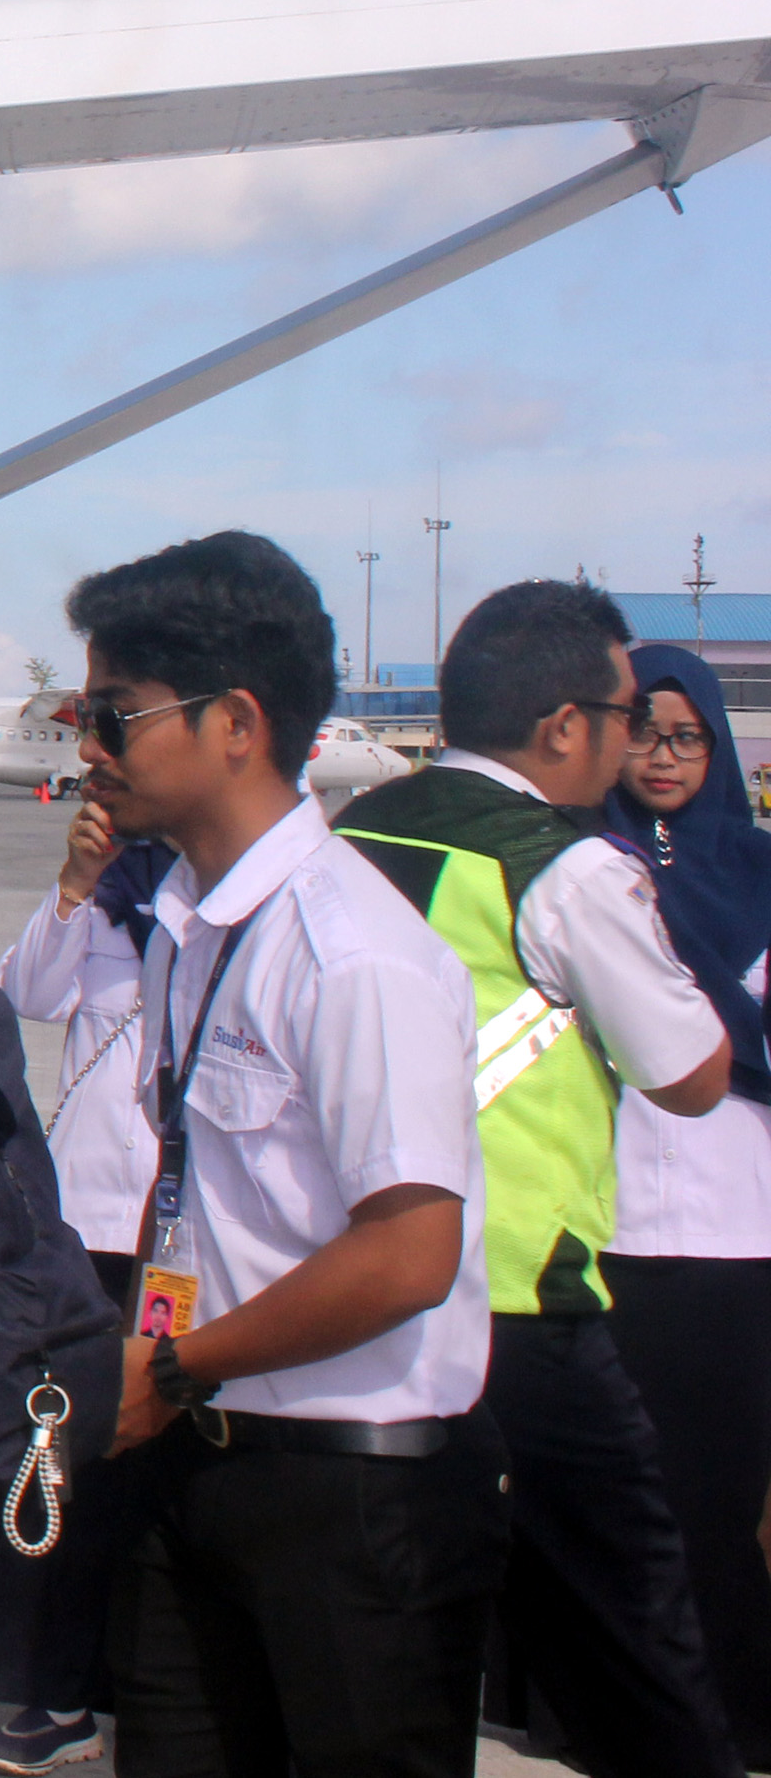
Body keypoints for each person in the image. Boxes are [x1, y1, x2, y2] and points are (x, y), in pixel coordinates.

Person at [65, 531, 497, 1778]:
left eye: (114, 712)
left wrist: (178, 1364)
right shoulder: (185, 930)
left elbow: (409, 1255)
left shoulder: (353, 955)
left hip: (351, 1503)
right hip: (198, 1457)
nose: (90, 744)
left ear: (236, 723)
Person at [335, 582, 736, 1778]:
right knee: (630, 1641)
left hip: (356, 1299)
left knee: (396, 1636)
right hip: (517, 1304)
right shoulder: (567, 870)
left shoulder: (354, 829)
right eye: (627, 716)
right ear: (565, 726)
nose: (633, 741)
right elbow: (691, 1074)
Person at [0, 800, 172, 1775]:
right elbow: (23, 996)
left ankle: (155, 1690)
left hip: (184, 1235)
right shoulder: (107, 903)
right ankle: (52, 1695)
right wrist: (76, 886)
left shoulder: (236, 912)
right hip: (86, 1222)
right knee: (59, 1457)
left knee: (165, 1474)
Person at [598, 645, 771, 1768]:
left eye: (685, 736)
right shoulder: (576, 867)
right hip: (601, 1214)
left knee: (715, 1489)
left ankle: (732, 1710)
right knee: (614, 1494)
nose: (661, 757)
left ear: (715, 745)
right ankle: (596, 1709)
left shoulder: (761, 875)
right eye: (641, 732)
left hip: (732, 1220)